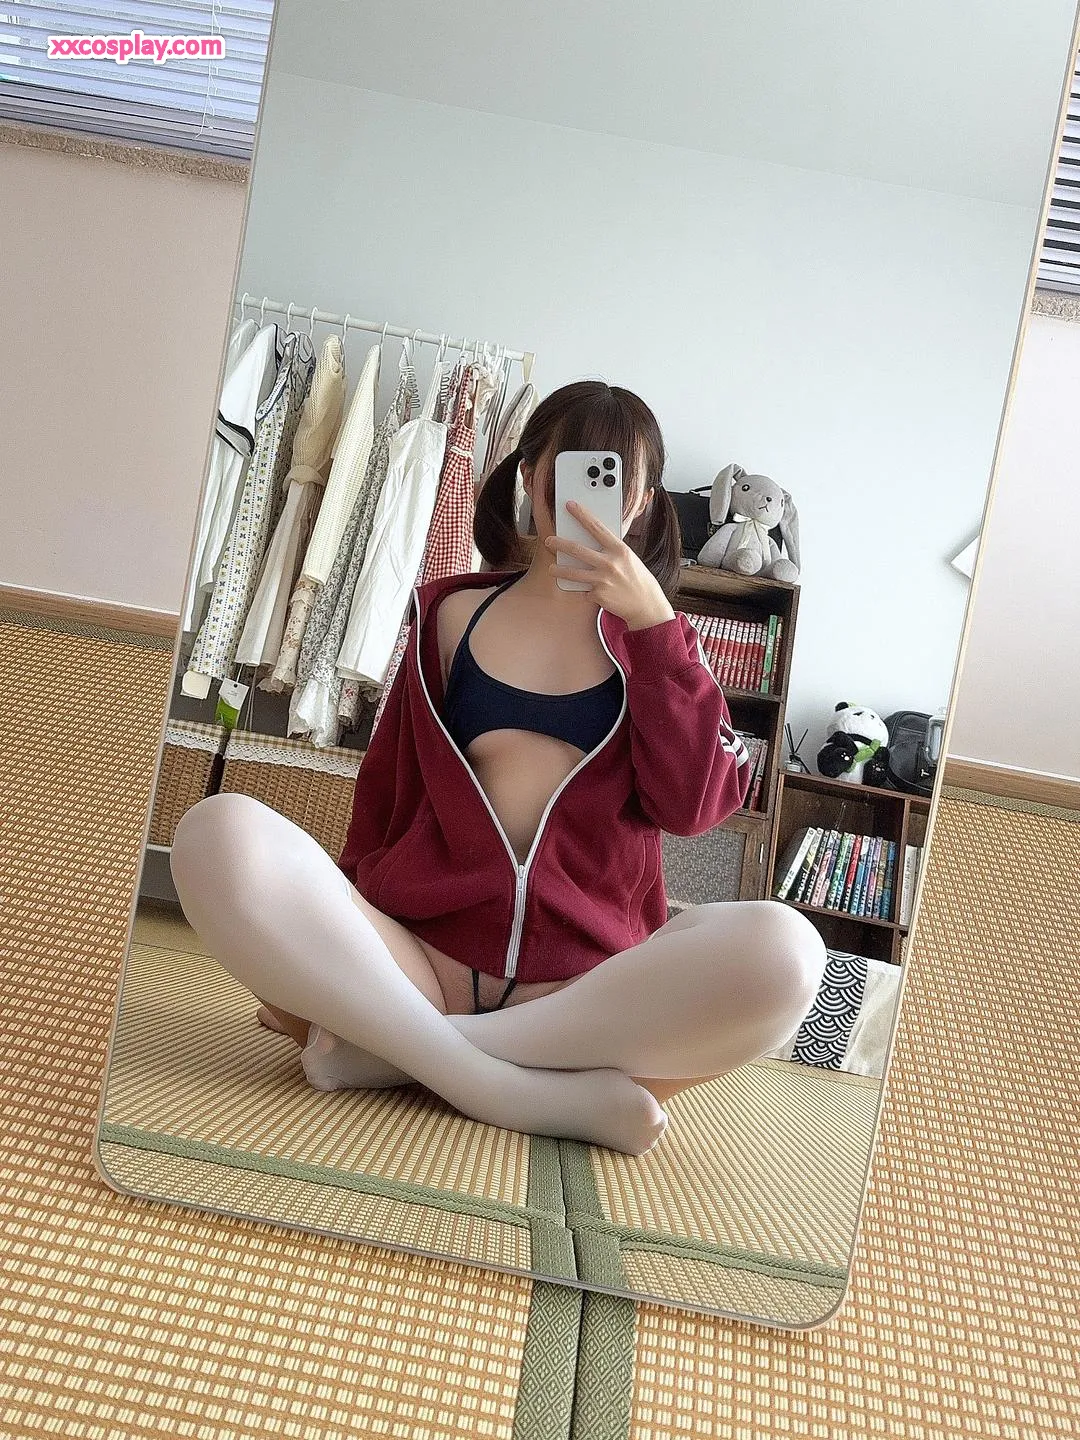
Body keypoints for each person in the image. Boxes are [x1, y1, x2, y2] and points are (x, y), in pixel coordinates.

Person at [171, 380, 826, 1156]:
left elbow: (696, 806)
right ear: (530, 476)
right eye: (572, 471)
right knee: (218, 834)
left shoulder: (665, 646)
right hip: (418, 960)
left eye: (615, 479)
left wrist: (654, 627)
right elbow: (384, 796)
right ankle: (508, 1086)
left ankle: (401, 1053)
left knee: (788, 955)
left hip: (583, 995)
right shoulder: (447, 614)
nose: (586, 500)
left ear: (645, 501)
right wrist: (323, 940)